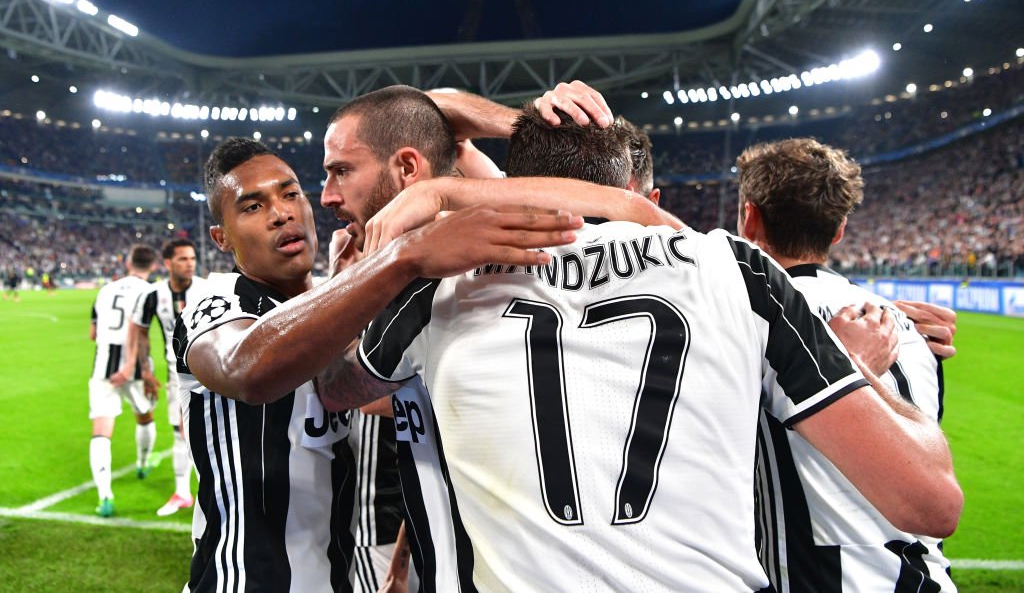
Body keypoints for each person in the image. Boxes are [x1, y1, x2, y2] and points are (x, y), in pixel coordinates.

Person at [320, 104, 962, 591]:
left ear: (515, 183)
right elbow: (929, 502)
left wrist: (438, 201)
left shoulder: (441, 275)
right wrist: (850, 365)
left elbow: (339, 388)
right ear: (642, 195)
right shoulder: (732, 270)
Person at [172, 136, 581, 591]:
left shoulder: (340, 312)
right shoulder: (217, 301)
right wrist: (401, 258)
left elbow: (416, 415)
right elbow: (244, 370)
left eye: (290, 194)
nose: (281, 213)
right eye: (253, 207)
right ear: (221, 238)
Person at [320, 83, 677, 591]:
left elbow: (343, 390)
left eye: (341, 171)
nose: (328, 195)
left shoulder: (462, 262)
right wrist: (534, 125)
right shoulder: (703, 270)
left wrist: (342, 290)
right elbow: (431, 425)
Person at [735, 138, 957, 591]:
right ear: (838, 230)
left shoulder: (743, 321)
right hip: (926, 577)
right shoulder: (910, 329)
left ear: (749, 217)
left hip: (822, 581)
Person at [117, 239, 208, 516]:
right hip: (177, 376)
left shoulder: (207, 289)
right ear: (168, 263)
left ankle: (215, 491)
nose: (190, 264)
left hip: (211, 372)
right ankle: (183, 492)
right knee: (181, 432)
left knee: (215, 433)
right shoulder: (153, 295)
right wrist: (145, 370)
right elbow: (140, 331)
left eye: (192, 258)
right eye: (183, 259)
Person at [88, 244, 160, 517]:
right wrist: (136, 366)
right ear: (153, 266)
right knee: (144, 416)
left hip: (103, 367)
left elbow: (92, 333)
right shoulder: (151, 291)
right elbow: (141, 332)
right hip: (137, 366)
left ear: (128, 263)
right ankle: (143, 463)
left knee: (101, 431)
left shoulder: (106, 289)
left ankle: (105, 496)